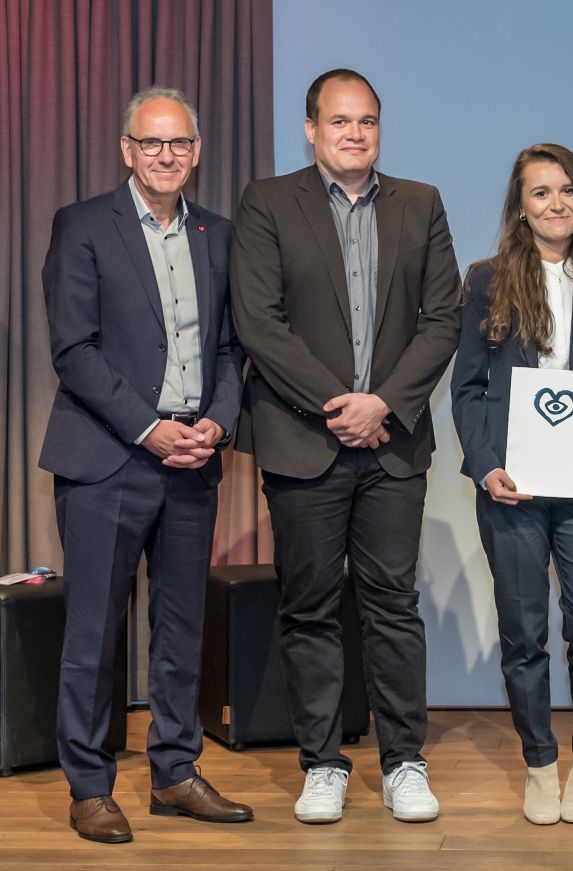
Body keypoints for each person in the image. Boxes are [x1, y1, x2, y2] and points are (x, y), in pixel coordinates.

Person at [230, 68, 461, 824]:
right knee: (310, 607)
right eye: (339, 121)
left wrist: (383, 405)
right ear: (311, 129)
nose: (354, 133)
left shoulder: (420, 203)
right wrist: (340, 405)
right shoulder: (268, 202)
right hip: (304, 440)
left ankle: (404, 763)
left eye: (366, 121)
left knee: (394, 604)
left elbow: (443, 320)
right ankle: (322, 763)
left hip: (393, 444)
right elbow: (259, 322)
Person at [40, 86, 252, 843]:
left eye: (180, 143)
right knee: (94, 633)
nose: (167, 155)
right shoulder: (83, 225)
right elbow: (73, 349)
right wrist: (149, 428)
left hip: (194, 460)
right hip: (108, 459)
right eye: (152, 142)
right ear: (127, 149)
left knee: (181, 627)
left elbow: (231, 346)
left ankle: (175, 773)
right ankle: (90, 787)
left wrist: (217, 422)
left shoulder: (218, 233)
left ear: (197, 152)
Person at [451, 144, 573, 825]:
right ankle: (538, 763)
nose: (556, 203)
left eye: (566, 190)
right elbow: (468, 385)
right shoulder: (487, 280)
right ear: (520, 207)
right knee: (524, 630)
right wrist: (485, 465)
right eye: (540, 192)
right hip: (512, 487)